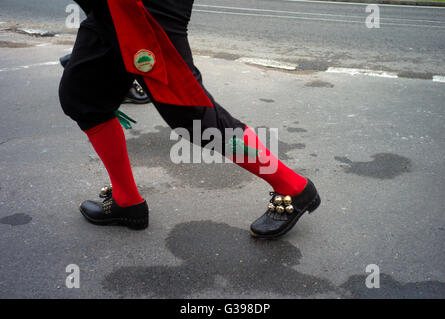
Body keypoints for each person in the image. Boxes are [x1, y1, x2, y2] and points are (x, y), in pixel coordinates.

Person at [59, 0, 321, 239]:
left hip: (143, 7)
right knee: (82, 96)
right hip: (109, 11)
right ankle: (126, 201)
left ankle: (294, 188)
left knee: (194, 118)